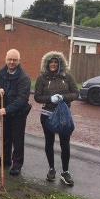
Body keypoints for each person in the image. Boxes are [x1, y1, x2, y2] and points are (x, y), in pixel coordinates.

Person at [34, 51, 78, 186]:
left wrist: (63, 97)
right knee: (49, 142)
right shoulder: (42, 78)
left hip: (64, 116)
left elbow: (76, 93)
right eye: (51, 62)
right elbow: (37, 97)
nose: (53, 64)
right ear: (47, 64)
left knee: (65, 143)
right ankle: (51, 169)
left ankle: (65, 172)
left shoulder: (67, 77)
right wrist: (50, 99)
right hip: (47, 114)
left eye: (56, 62)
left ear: (60, 64)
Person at [0, 49, 31, 176]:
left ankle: (17, 164)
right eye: (10, 59)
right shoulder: (1, 73)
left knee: (17, 140)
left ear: (19, 61)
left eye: (14, 60)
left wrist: (7, 110)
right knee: (5, 137)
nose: (12, 62)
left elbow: (22, 99)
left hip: (18, 114)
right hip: (4, 112)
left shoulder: (24, 78)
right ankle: (6, 159)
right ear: (6, 59)